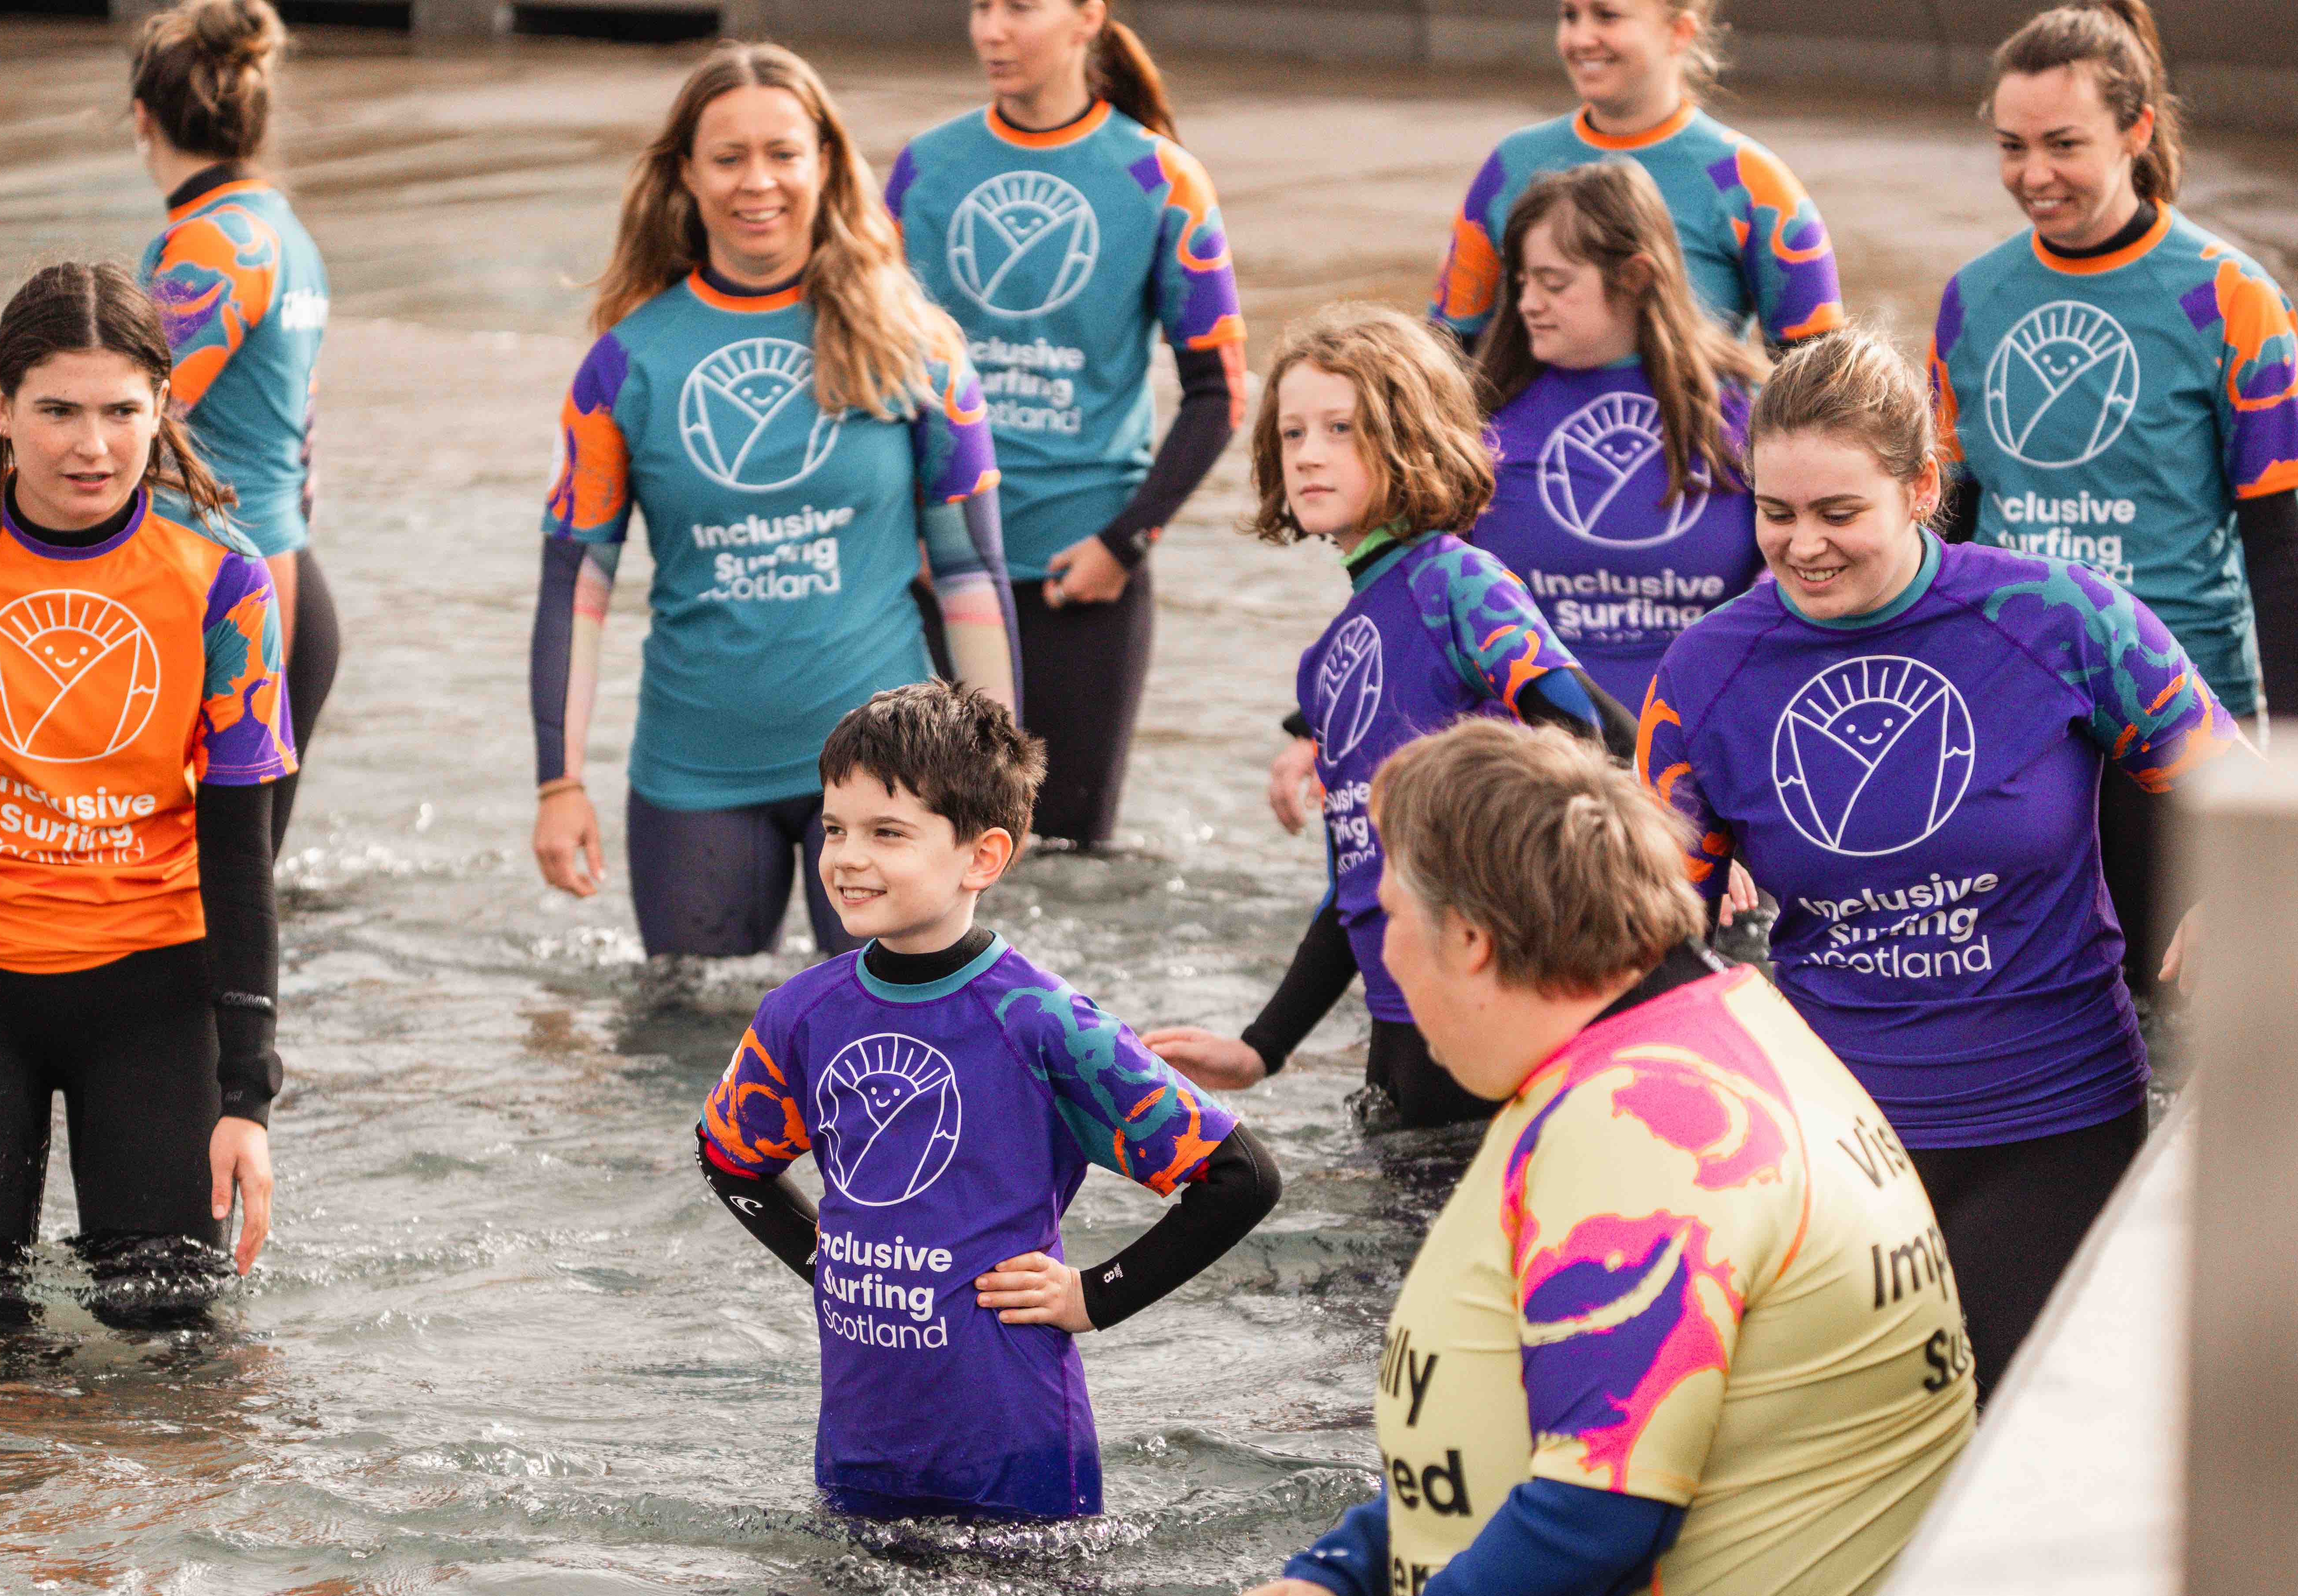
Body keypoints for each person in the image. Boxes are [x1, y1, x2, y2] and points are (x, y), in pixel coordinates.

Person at [1213, 717, 1973, 1596]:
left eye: (1391, 914)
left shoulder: (1646, 1132)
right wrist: (1354, 1575)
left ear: (1472, 936)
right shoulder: (1703, 1036)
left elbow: (1604, 1506)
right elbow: (1589, 1410)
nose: (1382, 955)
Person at [1635, 326, 2238, 1394]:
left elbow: (2229, 780)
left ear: (1920, 488)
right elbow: (1640, 938)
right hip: (1837, 1142)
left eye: (1837, 513)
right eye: (1775, 514)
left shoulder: (2060, 619)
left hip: (2052, 1118)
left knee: (2006, 1442)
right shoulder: (1706, 673)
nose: (1802, 545)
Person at [0, 261, 293, 1332]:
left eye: (124, 411)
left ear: (162, 405)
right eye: (59, 411)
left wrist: (245, 1098)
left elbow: (240, 855)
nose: (93, 445)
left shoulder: (223, 576)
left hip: (155, 991)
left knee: (169, 1335)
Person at [701, 682, 1279, 1521]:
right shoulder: (800, 1013)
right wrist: (826, 1263)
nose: (846, 857)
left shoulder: (1041, 1022)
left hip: (1017, 1462)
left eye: (886, 832)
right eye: (834, 828)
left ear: (982, 856)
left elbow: (1241, 1176)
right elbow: (728, 1160)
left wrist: (1093, 1294)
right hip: (861, 1453)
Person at [535, 43, 1017, 961]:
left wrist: (999, 786)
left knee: (889, 1054)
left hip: (897, 775)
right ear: (686, 175)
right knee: (693, 1051)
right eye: (729, 158)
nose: (759, 182)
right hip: (698, 771)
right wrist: (558, 784)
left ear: (826, 162)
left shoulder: (917, 348)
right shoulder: (625, 364)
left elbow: (970, 575)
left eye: (785, 153)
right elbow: (577, 588)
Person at [1141, 305, 1623, 1132]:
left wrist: (1689, 844)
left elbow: (1590, 730)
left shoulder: (1456, 584)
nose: (1309, 455)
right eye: (1291, 435)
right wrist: (1261, 1048)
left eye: (1342, 428)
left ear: (1411, 434)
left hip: (1491, 1020)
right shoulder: (1327, 660)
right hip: (1397, 1033)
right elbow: (1355, 884)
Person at [1929, 0, 2298, 982]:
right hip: (2016, 716)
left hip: (2179, 718)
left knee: (2165, 998)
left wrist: (2296, 775)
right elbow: (1952, 526)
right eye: (2012, 146)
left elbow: (2278, 547)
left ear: (2137, 131)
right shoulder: (1972, 299)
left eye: (2064, 144)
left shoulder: (2230, 296)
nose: (2032, 174)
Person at [884, 0, 1245, 846]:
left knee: (1066, 869)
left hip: (1078, 581)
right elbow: (871, 376)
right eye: (978, 7)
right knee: (922, 853)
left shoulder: (1161, 179)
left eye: (1018, 8)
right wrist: (903, 541)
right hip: (934, 576)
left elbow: (1218, 393)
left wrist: (1123, 544)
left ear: (1088, 16)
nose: (989, 31)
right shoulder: (922, 171)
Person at [132, 0, 338, 857]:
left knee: (200, 894)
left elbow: (136, 426)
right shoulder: (284, 232)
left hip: (227, 589)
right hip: (285, 570)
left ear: (143, 120)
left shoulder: (210, 246)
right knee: (238, 883)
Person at [1466, 159, 1765, 710]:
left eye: (1554, 283)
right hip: (1522, 766)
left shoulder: (1748, 407)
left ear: (1635, 277)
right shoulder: (1479, 411)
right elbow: (1411, 589)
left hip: (1696, 750)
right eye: (1523, 281)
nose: (1529, 302)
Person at [1431, 0, 1841, 355]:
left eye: (1607, 16)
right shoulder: (1511, 166)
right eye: (1570, 15)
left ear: (1679, 32)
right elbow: (1448, 350)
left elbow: (1820, 385)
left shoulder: (1754, 183)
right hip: (1525, 447)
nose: (1580, 39)